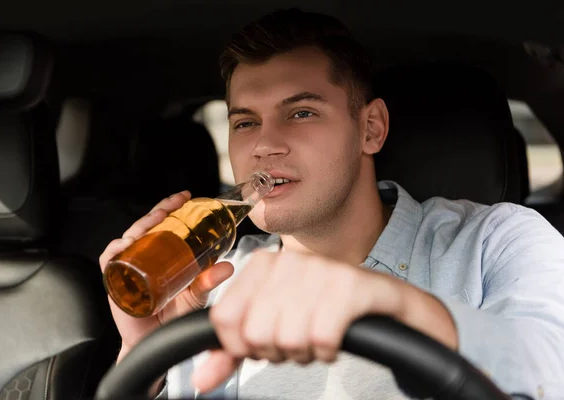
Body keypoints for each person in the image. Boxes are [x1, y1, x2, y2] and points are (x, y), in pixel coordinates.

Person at [98, 8, 564, 400]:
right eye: (244, 123)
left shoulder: (499, 241)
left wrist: (409, 312)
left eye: (301, 113)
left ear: (371, 129)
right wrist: (144, 358)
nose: (264, 145)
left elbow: (549, 361)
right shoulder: (209, 281)